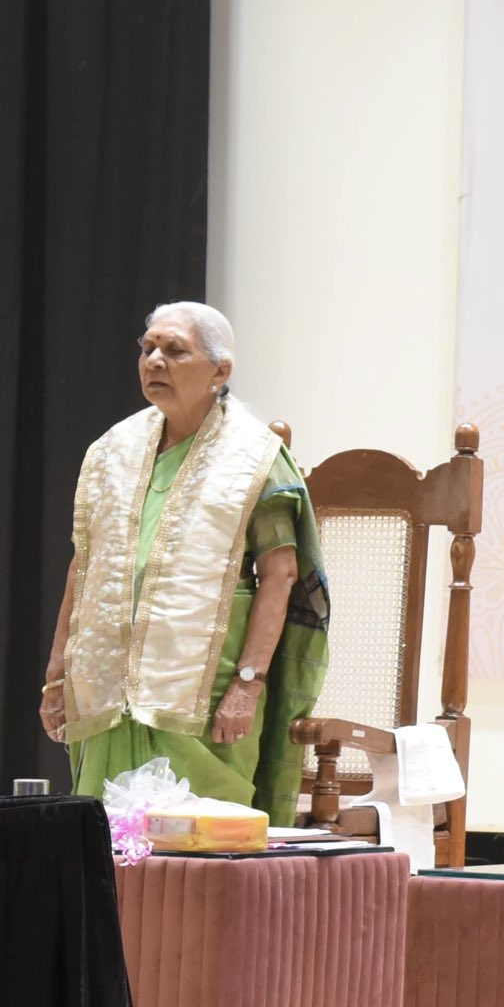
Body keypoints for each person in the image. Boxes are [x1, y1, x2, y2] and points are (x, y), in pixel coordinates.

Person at [38, 302, 329, 824]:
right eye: (147, 348)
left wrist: (247, 685)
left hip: (203, 690)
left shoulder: (254, 455)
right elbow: (86, 565)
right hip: (105, 688)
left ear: (221, 370)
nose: (154, 361)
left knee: (200, 855)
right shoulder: (112, 450)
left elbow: (281, 575)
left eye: (174, 350)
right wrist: (57, 675)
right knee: (103, 853)